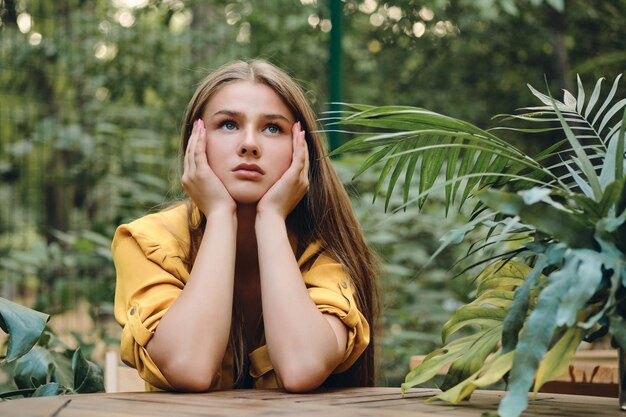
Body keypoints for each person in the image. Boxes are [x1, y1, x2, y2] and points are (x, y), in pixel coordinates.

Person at [112, 60, 379, 392]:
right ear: (195, 141)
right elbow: (188, 366)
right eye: (228, 124)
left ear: (301, 150)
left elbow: (302, 368)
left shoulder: (323, 248)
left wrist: (270, 219)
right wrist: (222, 215)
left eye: (272, 128)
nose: (249, 144)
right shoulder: (149, 241)